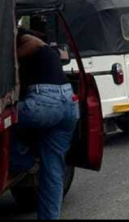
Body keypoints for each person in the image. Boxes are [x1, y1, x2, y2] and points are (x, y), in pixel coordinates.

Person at [11, 30, 80, 220]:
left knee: (7, 122)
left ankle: (24, 161)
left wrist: (10, 55)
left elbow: (32, 45)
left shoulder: (27, 41)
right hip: (69, 103)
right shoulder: (48, 52)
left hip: (47, 101)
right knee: (53, 173)